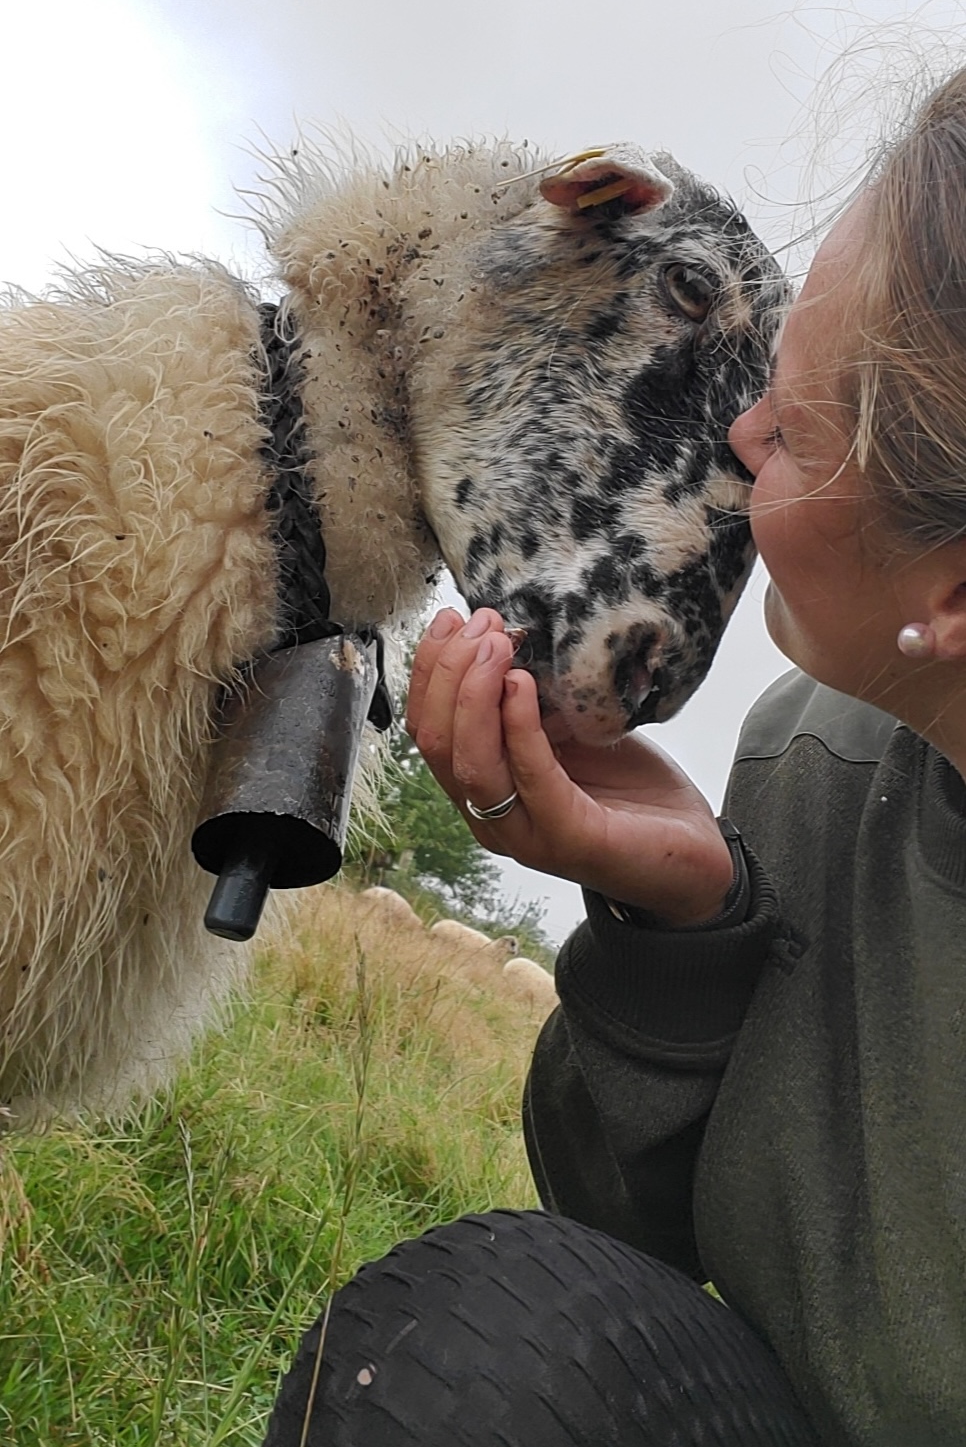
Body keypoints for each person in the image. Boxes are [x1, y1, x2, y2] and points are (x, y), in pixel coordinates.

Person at [261, 71, 966, 1447]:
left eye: (801, 426)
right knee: (464, 1360)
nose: (741, 437)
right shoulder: (812, 758)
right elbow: (620, 1240)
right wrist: (678, 926)